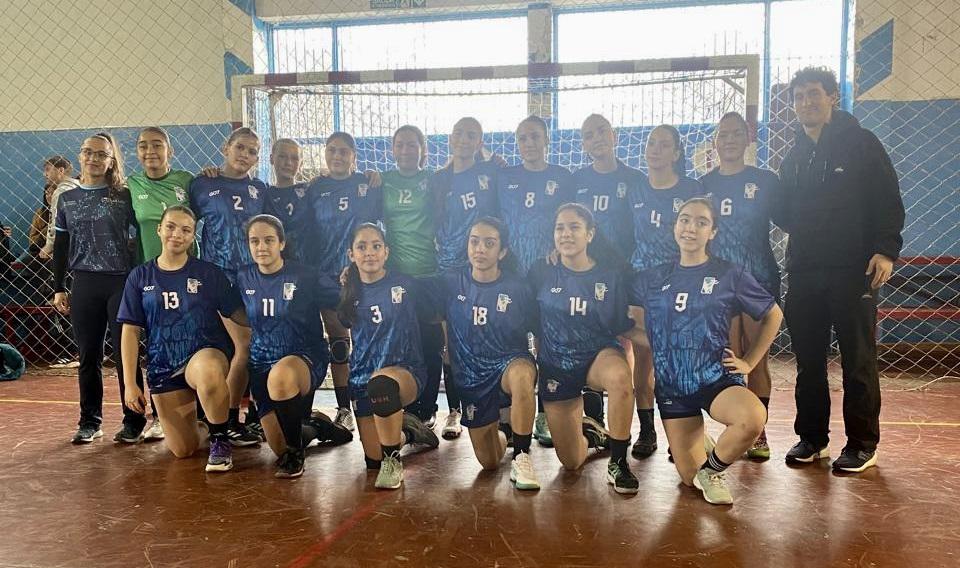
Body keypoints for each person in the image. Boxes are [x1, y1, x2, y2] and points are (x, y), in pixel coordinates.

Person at [775, 67, 904, 473]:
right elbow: (784, 212)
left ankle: (863, 443)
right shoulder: (793, 157)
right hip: (805, 272)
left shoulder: (861, 143)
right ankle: (812, 438)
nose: (806, 103)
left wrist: (885, 250)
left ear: (832, 96)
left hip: (853, 271)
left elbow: (888, 199)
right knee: (808, 361)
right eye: (799, 97)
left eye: (814, 94)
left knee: (857, 360)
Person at [628, 197, 782, 504]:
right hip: (673, 387)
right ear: (675, 226)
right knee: (688, 478)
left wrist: (750, 361)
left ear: (712, 232)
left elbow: (773, 314)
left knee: (753, 418)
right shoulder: (651, 278)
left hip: (716, 379)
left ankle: (713, 470)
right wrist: (660, 341)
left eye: (701, 222)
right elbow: (623, 323)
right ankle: (703, 451)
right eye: (685, 220)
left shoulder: (730, 274)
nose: (691, 228)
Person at [118, 205, 244, 472]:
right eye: (171, 227)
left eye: (186, 230)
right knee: (183, 450)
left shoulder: (208, 273)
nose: (178, 234)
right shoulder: (140, 277)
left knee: (209, 372)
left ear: (193, 236)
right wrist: (130, 383)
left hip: (205, 352)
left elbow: (240, 313)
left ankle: (220, 440)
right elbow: (130, 331)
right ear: (159, 230)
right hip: (164, 365)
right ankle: (203, 424)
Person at [530, 203, 639, 495]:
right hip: (556, 366)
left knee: (619, 378)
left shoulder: (609, 275)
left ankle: (618, 462)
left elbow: (620, 325)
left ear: (590, 234)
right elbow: (529, 320)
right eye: (560, 228)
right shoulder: (541, 270)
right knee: (572, 462)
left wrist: (665, 341)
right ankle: (592, 435)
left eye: (574, 227)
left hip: (597, 354)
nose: (566, 234)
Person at [49, 132, 148, 444]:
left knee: (125, 355)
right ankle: (89, 421)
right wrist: (59, 287)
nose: (93, 158)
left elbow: (144, 229)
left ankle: (134, 419)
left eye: (101, 154)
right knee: (88, 355)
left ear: (111, 161)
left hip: (120, 281)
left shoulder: (124, 196)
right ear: (80, 156)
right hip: (84, 283)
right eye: (87, 152)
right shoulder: (66, 199)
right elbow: (61, 245)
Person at [237, 214, 346, 477]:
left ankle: (297, 455)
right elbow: (231, 310)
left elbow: (341, 298)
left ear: (282, 243)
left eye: (268, 240)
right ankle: (318, 427)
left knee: (281, 377)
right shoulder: (243, 277)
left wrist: (349, 281)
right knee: (278, 446)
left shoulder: (305, 276)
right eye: (254, 241)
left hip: (303, 357)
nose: (261, 247)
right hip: (261, 363)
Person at [700, 112, 782, 459]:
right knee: (728, 360)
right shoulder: (702, 184)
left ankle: (759, 432)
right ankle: (738, 426)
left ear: (748, 139)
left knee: (756, 361)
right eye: (723, 134)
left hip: (757, 279)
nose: (729, 140)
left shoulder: (765, 180)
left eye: (736, 134)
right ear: (715, 142)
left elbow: (791, 219)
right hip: (718, 286)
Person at [337, 223, 439, 490]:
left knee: (382, 386)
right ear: (351, 254)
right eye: (362, 247)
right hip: (361, 379)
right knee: (373, 461)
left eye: (376, 246)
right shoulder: (349, 289)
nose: (369, 252)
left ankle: (394, 461)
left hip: (404, 372)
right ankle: (409, 431)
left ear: (387, 252)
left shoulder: (406, 285)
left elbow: (438, 310)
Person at [441, 217, 540, 490]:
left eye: (489, 243)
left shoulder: (518, 288)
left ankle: (522, 456)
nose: (480, 249)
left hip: (509, 362)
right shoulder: (451, 282)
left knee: (521, 377)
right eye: (474, 241)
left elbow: (539, 329)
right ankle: (506, 432)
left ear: (502, 251)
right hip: (472, 376)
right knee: (490, 462)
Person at [628, 124, 705, 459]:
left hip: (682, 283)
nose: (655, 149)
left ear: (676, 153)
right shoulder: (633, 188)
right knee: (645, 356)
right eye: (651, 143)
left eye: (664, 144)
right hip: (643, 283)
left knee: (681, 356)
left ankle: (684, 433)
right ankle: (647, 430)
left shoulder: (692, 188)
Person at [189, 127, 267, 446]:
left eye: (251, 151)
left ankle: (240, 416)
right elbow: (184, 223)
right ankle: (229, 418)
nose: (244, 155)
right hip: (217, 279)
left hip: (252, 279)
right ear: (226, 147)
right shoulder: (202, 183)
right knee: (239, 346)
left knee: (249, 348)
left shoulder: (260, 190)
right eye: (240, 147)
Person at [379, 125, 455, 437]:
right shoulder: (382, 180)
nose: (407, 150)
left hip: (430, 273)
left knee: (431, 341)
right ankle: (406, 404)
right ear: (393, 149)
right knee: (401, 340)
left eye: (413, 145)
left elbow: (465, 165)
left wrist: (496, 161)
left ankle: (427, 409)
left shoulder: (434, 179)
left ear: (423, 150)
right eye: (401, 145)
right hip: (396, 275)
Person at [308, 132, 383, 433]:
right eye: (331, 150)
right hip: (325, 276)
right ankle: (344, 409)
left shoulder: (369, 185)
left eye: (344, 151)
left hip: (363, 275)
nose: (337, 156)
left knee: (371, 341)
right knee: (339, 345)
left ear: (354, 155)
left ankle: (379, 402)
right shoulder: (315, 189)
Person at [127, 126, 198, 442]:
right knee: (157, 344)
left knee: (193, 337)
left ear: (170, 150)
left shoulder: (187, 182)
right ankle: (155, 413)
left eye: (157, 144)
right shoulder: (130, 185)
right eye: (143, 145)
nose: (150, 150)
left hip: (188, 276)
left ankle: (207, 412)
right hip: (153, 276)